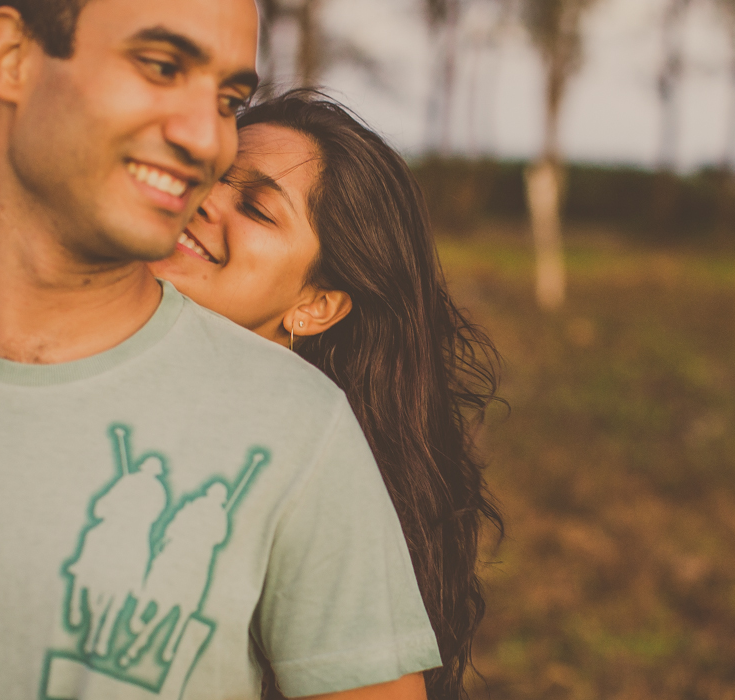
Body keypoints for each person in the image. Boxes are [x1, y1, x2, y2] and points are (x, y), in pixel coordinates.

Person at [0, 0, 441, 698]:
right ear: (12, 56)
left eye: (228, 100)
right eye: (161, 66)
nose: (206, 145)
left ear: (317, 305)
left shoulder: (298, 429)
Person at [148, 90, 504, 700]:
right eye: (204, 175)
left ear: (316, 305)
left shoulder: (311, 462)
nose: (202, 200)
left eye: (257, 209)